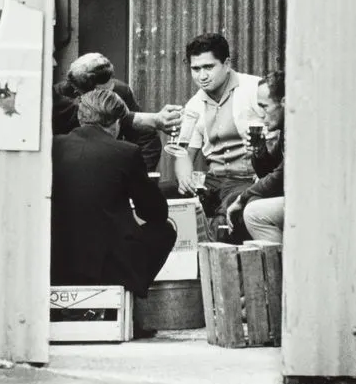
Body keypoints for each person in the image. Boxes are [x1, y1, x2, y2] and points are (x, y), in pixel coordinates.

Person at [51, 89, 177, 300]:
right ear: (117, 123)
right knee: (164, 231)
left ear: (81, 117)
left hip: (58, 261)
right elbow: (155, 214)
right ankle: (131, 294)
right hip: (108, 268)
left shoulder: (54, 145)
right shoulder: (126, 152)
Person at [162, 33, 266, 244]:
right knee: (159, 194)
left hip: (247, 179)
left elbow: (281, 131)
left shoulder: (254, 89)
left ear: (226, 64)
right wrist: (184, 178)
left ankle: (213, 272)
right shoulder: (194, 105)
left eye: (209, 67)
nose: (202, 76)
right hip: (214, 180)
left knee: (223, 217)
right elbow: (184, 153)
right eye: (196, 69)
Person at [52, 52, 168, 170]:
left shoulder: (120, 91)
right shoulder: (57, 100)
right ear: (81, 91)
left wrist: (138, 175)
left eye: (110, 89)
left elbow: (146, 137)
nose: (109, 96)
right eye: (102, 92)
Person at [228, 70, 286, 243]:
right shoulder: (285, 130)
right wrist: (259, 150)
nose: (261, 114)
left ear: (284, 102)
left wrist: (243, 197)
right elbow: (268, 171)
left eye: (264, 106)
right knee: (249, 201)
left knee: (254, 213)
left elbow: (280, 176)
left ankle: (281, 267)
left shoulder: (298, 130)